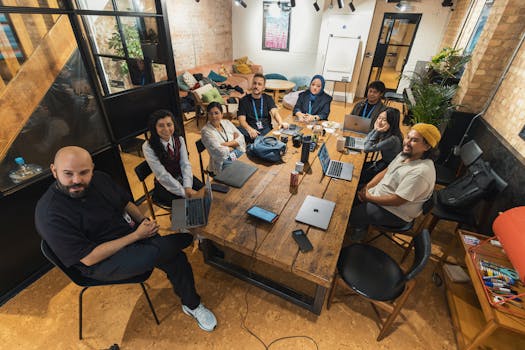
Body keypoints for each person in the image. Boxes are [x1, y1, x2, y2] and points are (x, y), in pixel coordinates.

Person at [34, 146, 217, 332]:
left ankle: (192, 305)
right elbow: (88, 257)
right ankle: (186, 237)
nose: (77, 180)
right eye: (68, 174)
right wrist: (136, 236)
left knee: (174, 257)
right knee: (163, 251)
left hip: (129, 234)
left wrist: (143, 221)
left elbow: (125, 202)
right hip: (101, 261)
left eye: (84, 172)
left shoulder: (100, 179)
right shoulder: (50, 214)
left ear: (92, 168)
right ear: (54, 171)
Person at [348, 123, 441, 240]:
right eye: (408, 137)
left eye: (414, 140)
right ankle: (360, 223)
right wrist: (368, 187)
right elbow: (387, 171)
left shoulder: (420, 172)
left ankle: (359, 230)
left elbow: (397, 201)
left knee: (351, 214)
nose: (407, 142)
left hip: (395, 212)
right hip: (381, 195)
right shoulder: (406, 154)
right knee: (350, 195)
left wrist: (369, 198)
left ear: (427, 147)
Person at [142, 109, 203, 205]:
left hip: (181, 177)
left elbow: (185, 164)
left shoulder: (179, 139)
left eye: (169, 124)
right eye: (161, 126)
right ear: (154, 128)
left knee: (204, 192)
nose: (166, 129)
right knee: (187, 206)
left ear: (174, 125)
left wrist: (187, 187)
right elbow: (162, 175)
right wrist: (184, 193)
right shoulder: (148, 146)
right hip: (164, 185)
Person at [237, 73, 288, 143]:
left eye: (259, 84)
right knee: (237, 130)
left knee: (279, 136)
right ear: (252, 85)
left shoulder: (268, 98)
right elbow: (241, 120)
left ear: (263, 87)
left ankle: (261, 143)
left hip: (266, 129)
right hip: (252, 130)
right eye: (254, 83)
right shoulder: (243, 100)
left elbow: (275, 112)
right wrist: (250, 129)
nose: (256, 86)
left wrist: (280, 122)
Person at [200, 102, 246, 175]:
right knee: (242, 174)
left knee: (248, 169)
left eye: (216, 113)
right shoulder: (205, 131)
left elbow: (241, 138)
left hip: (236, 156)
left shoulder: (227, 123)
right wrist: (234, 144)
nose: (213, 116)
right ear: (207, 115)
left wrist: (225, 144)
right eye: (210, 113)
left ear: (222, 114)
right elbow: (220, 151)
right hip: (221, 164)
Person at [359, 108, 403, 184]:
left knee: (359, 174)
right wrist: (375, 129)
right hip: (383, 163)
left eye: (384, 120)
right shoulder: (388, 132)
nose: (379, 121)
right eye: (379, 118)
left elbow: (366, 149)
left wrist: (377, 131)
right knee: (360, 168)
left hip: (388, 168)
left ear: (391, 122)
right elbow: (365, 141)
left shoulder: (393, 139)